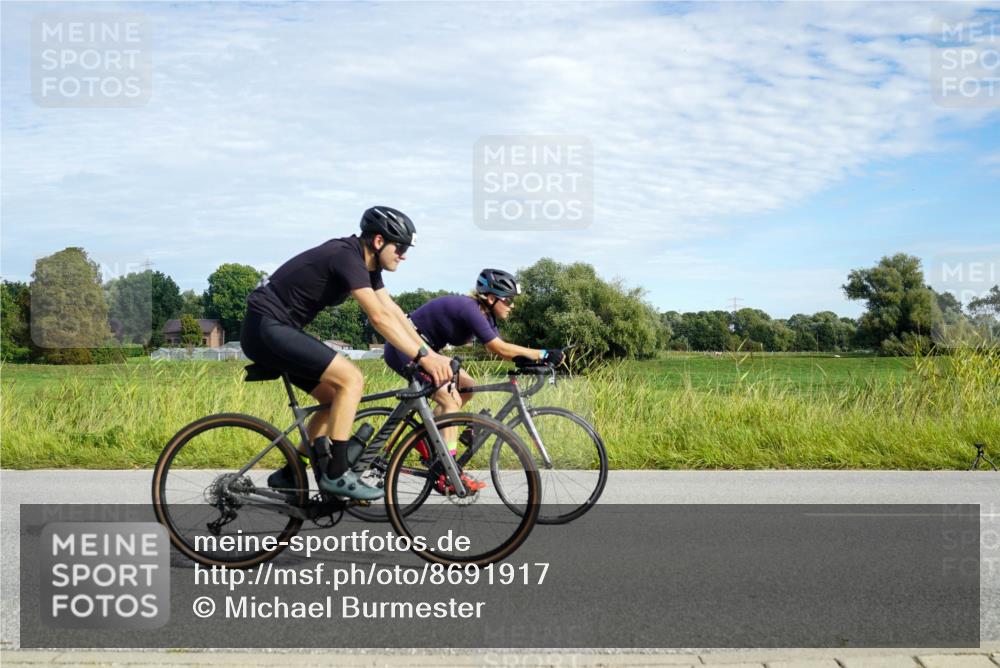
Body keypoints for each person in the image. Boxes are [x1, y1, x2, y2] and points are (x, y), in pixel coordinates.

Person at [239, 206, 453, 500]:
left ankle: (290, 473)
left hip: (278, 328)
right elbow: (377, 318)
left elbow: (392, 312)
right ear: (379, 241)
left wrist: (427, 352)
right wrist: (423, 358)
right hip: (266, 327)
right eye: (400, 247)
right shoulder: (346, 255)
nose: (403, 255)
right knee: (351, 378)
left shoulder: (368, 266)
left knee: (330, 398)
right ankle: (338, 473)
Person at [382, 268, 564, 492]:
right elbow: (500, 348)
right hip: (405, 348)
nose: (512, 305)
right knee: (450, 401)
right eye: (508, 300)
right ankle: (449, 470)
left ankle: (432, 440)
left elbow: (501, 349)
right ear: (490, 297)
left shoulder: (487, 316)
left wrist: (533, 362)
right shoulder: (470, 309)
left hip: (428, 352)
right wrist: (542, 353)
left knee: (468, 388)